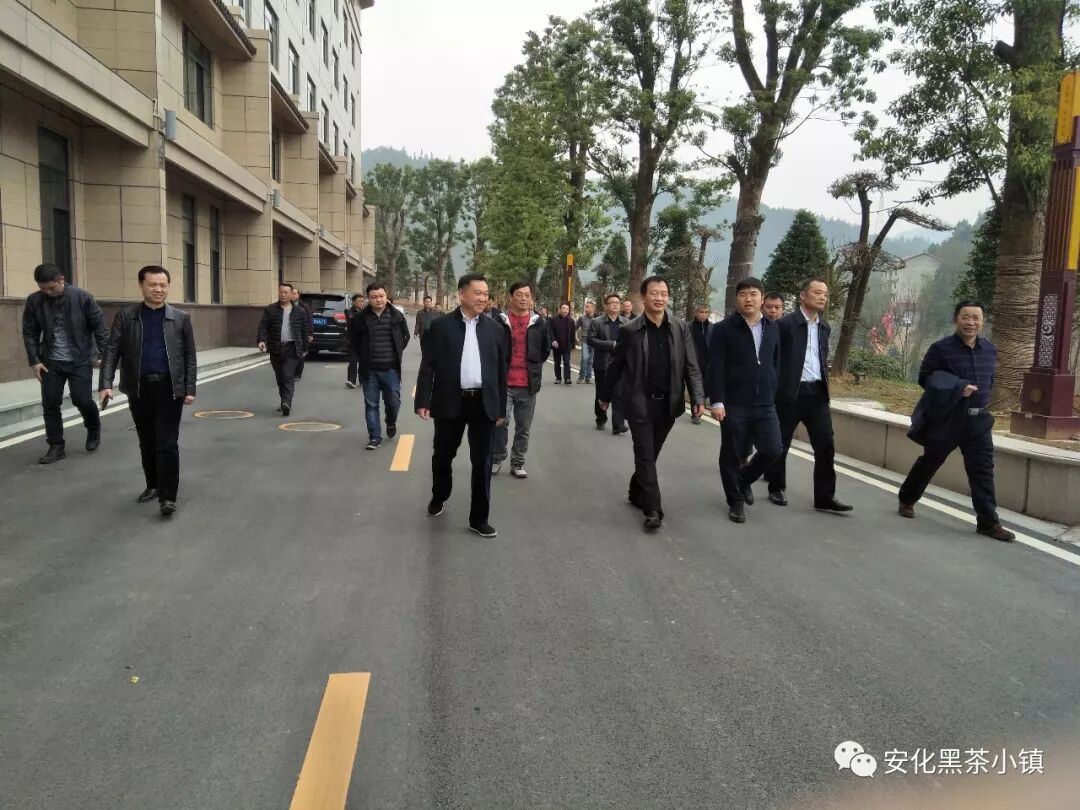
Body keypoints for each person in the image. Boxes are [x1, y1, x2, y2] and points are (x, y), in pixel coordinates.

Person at [897, 302, 1015, 542]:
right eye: (965, 317)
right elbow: (925, 379)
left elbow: (990, 380)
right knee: (931, 461)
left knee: (982, 470)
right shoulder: (940, 349)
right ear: (956, 319)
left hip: (978, 420)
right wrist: (957, 387)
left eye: (976, 318)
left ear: (982, 321)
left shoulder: (989, 350)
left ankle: (988, 522)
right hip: (949, 419)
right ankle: (907, 498)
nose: (971, 322)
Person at [599, 276, 705, 532]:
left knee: (651, 454)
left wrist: (698, 397)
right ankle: (653, 509)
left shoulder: (679, 327)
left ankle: (635, 491)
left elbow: (691, 365)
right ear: (643, 297)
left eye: (663, 293)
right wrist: (604, 396)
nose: (659, 298)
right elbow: (616, 366)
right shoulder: (630, 330)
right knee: (645, 454)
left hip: (668, 405)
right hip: (639, 403)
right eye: (654, 293)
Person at [415, 273, 508, 538]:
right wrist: (423, 400)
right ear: (461, 294)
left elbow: (500, 371)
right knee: (443, 455)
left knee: (483, 462)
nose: (482, 298)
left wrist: (501, 408)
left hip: (483, 404)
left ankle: (479, 518)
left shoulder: (496, 329)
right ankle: (439, 494)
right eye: (477, 293)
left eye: (485, 293)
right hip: (450, 400)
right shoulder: (441, 326)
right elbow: (428, 365)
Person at [99, 266, 196, 516]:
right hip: (139, 388)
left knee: (167, 442)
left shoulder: (180, 318)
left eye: (163, 285)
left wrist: (189, 388)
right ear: (141, 286)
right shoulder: (126, 316)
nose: (158, 289)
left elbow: (189, 356)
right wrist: (106, 384)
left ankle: (168, 497)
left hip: (170, 388)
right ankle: (153, 484)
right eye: (153, 284)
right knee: (147, 440)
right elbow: (112, 350)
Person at [763, 278, 853, 513]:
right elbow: (771, 360)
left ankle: (824, 497)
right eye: (817, 292)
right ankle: (776, 487)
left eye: (825, 294)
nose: (823, 297)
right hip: (789, 394)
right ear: (803, 296)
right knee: (780, 443)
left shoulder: (825, 327)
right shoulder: (784, 325)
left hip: (817, 394)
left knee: (825, 445)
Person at [708, 277, 782, 524]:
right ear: (736, 299)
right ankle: (735, 500)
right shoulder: (723, 329)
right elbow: (715, 366)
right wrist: (717, 401)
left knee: (773, 449)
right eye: (743, 294)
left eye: (753, 294)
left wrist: (774, 388)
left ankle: (742, 480)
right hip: (734, 403)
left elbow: (776, 363)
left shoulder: (773, 328)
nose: (748, 299)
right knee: (732, 452)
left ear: (762, 298)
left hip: (766, 403)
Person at [21, 263, 109, 464]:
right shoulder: (35, 301)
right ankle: (56, 446)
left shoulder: (82, 297)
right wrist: (35, 361)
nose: (48, 292)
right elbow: (30, 332)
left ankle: (93, 427)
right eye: (43, 289)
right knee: (50, 403)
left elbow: (100, 329)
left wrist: (105, 356)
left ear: (61, 280)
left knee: (82, 400)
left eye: (51, 288)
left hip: (80, 360)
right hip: (50, 362)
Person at [492, 281, 550, 478]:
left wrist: (533, 366)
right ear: (510, 297)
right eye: (519, 294)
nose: (524, 298)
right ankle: (497, 457)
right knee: (500, 422)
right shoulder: (499, 321)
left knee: (523, 427)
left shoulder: (539, 323)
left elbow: (545, 350)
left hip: (528, 384)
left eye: (527, 295)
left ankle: (517, 462)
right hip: (504, 383)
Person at [348, 282, 410, 450]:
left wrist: (396, 352)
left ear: (386, 296)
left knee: (393, 403)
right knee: (371, 405)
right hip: (369, 370)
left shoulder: (397, 316)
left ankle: (391, 421)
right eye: (374, 297)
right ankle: (375, 437)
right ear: (368, 298)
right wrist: (363, 355)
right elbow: (353, 340)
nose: (378, 300)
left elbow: (405, 337)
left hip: (391, 369)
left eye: (381, 296)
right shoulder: (360, 318)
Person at [256, 282, 312, 416]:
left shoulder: (299, 311)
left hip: (292, 348)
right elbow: (263, 326)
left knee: (287, 375)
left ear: (292, 294)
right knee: (280, 376)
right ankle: (284, 401)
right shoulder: (270, 310)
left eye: (286, 292)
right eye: (281, 292)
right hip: (275, 348)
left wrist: (305, 347)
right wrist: (261, 340)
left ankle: (287, 402)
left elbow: (304, 330)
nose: (283, 295)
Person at [588, 293, 629, 434]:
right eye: (612, 302)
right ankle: (601, 418)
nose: (615, 304)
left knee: (619, 394)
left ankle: (618, 424)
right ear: (605, 306)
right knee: (601, 393)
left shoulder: (626, 322)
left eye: (617, 302)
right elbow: (591, 340)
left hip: (620, 364)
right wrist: (611, 345)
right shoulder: (597, 322)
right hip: (603, 363)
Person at [688, 304, 713, 425]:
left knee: (706, 387)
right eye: (701, 312)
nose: (703, 315)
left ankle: (701, 404)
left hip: (708, 363)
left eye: (706, 312)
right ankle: (696, 414)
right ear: (695, 313)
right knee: (695, 388)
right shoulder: (688, 327)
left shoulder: (712, 328)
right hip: (693, 362)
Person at [550, 302, 576, 384]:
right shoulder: (553, 320)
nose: (565, 310)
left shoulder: (571, 321)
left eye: (567, 309)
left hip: (567, 345)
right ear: (560, 309)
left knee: (567, 362)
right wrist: (553, 340)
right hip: (557, 345)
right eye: (563, 308)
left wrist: (573, 346)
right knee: (557, 362)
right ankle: (558, 378)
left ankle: (567, 378)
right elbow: (551, 331)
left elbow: (573, 334)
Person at [290, 287, 313, 380]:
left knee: (299, 354)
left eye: (295, 293)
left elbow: (309, 321)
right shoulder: (286, 306)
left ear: (298, 295)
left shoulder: (304, 307)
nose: (293, 295)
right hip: (290, 334)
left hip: (300, 334)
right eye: (291, 293)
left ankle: (298, 374)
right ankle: (290, 373)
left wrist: (310, 334)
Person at [345, 293, 365, 389]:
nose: (361, 303)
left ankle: (362, 380)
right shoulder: (349, 311)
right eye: (359, 301)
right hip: (353, 341)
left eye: (362, 301)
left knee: (363, 363)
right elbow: (352, 319)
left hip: (364, 341)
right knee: (352, 362)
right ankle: (351, 381)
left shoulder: (365, 311)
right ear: (353, 302)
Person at [576, 301, 597, 384]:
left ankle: (588, 378)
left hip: (594, 341)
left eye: (588, 307)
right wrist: (576, 337)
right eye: (585, 306)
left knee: (591, 360)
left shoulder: (597, 319)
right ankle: (581, 376)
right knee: (585, 358)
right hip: (585, 340)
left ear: (593, 308)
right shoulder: (581, 318)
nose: (586, 308)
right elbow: (575, 328)